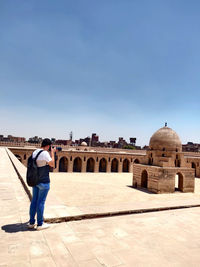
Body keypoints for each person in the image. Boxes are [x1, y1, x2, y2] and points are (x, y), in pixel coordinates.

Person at [28, 138, 56, 230]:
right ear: (48, 146)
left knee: (34, 201)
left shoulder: (35, 152)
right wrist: (52, 153)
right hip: (43, 182)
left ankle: (31, 222)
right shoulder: (44, 153)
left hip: (35, 181)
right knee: (41, 202)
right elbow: (52, 164)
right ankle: (40, 224)